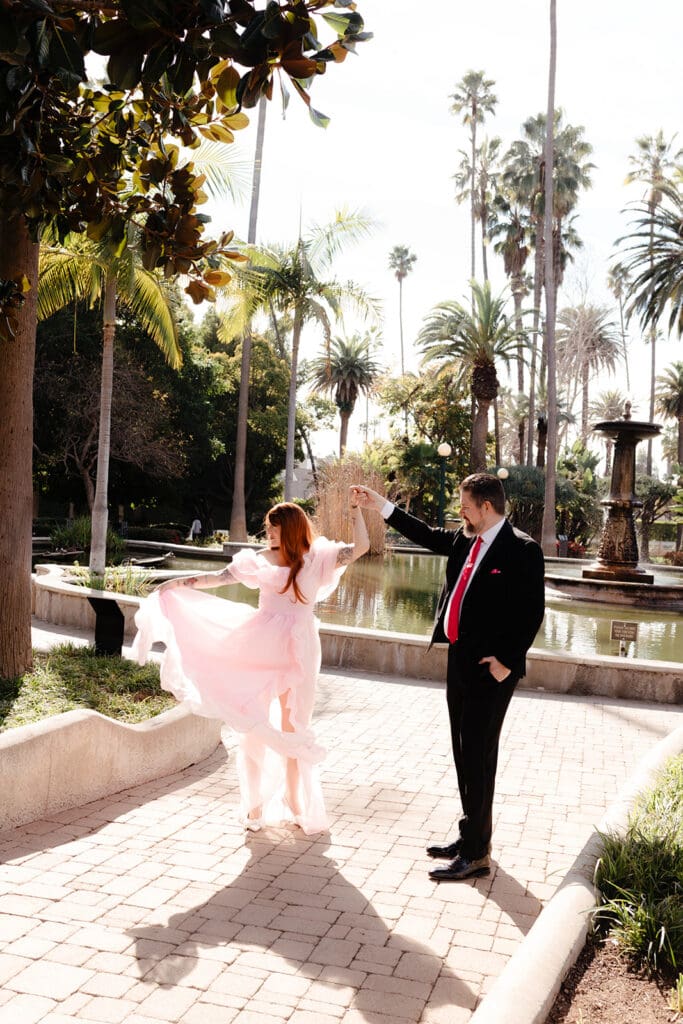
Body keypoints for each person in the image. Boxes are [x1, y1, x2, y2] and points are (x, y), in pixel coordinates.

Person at [132, 497, 369, 835]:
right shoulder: (259, 561)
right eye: (268, 529)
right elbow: (218, 577)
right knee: (255, 725)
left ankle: (295, 803)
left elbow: (362, 546)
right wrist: (176, 584)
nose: (269, 534)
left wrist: (357, 511)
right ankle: (254, 807)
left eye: (275, 529)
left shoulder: (318, 558)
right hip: (261, 647)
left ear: (291, 529)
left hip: (301, 648)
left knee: (295, 725)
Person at [351, 474, 545, 882]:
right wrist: (379, 505)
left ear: (487, 508)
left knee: (479, 755)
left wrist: (505, 662)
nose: (462, 513)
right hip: (459, 661)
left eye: (466, 507)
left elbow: (531, 612)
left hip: (490, 670)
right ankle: (471, 834)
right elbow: (425, 533)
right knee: (463, 752)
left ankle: (476, 855)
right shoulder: (466, 540)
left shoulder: (522, 550)